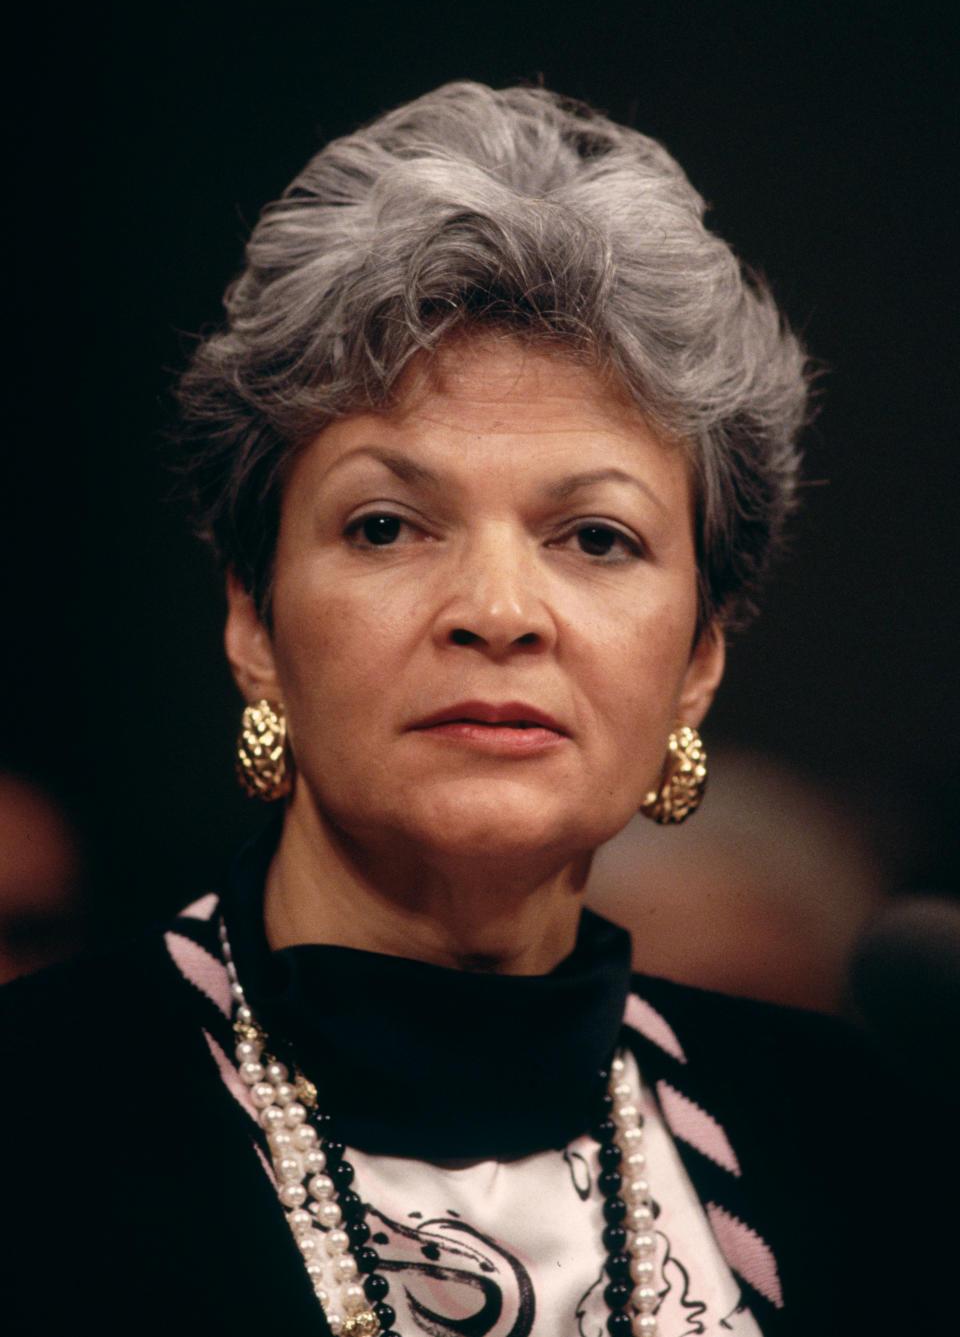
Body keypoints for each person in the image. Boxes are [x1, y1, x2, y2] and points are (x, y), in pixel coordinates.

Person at [0, 83, 941, 1336]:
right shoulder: (33, 1117)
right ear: (253, 622)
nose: (499, 611)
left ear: (700, 660)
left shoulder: (866, 1151)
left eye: (596, 538)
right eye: (387, 525)